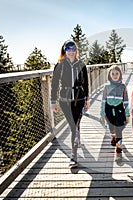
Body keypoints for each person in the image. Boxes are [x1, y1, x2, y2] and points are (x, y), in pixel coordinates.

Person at [51, 39, 90, 168]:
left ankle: (73, 157)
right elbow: (54, 85)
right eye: (68, 49)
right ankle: (77, 138)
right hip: (65, 101)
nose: (71, 51)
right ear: (64, 50)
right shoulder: (60, 65)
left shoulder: (81, 64)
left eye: (73, 49)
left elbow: (86, 84)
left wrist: (87, 99)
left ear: (76, 50)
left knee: (74, 125)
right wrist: (53, 102)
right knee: (73, 124)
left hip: (79, 99)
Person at [100, 65, 130, 160]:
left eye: (117, 73)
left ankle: (118, 150)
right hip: (109, 109)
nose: (115, 75)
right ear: (109, 75)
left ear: (120, 74)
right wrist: (102, 113)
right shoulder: (107, 87)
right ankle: (113, 136)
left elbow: (126, 101)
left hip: (119, 110)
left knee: (119, 130)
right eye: (112, 73)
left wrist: (128, 114)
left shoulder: (123, 87)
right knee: (111, 127)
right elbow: (103, 100)